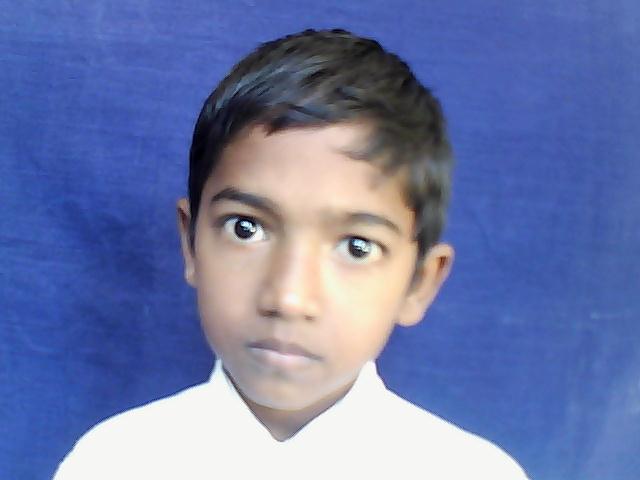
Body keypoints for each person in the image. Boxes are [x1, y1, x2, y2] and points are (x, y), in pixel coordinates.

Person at [54, 29, 528, 479]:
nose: (289, 298)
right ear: (190, 242)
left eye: (356, 247)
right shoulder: (111, 463)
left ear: (420, 283)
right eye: (246, 228)